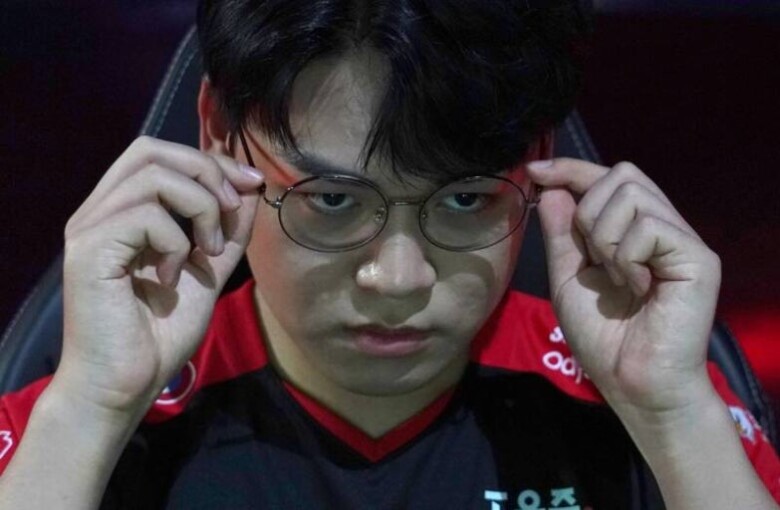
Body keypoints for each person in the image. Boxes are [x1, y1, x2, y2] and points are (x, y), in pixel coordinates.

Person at [1, 1, 779, 508]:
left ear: (538, 157)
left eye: (466, 200)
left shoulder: (648, 404)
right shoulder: (76, 412)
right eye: (333, 201)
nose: (397, 280)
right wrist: (91, 412)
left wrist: (673, 417)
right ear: (219, 133)